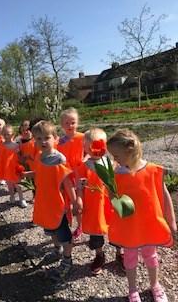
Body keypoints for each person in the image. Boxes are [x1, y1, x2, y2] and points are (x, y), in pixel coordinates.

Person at [107, 129, 177, 302]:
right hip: (130, 228)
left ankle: (155, 285)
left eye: (116, 155)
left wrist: (172, 222)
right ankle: (132, 290)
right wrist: (110, 190)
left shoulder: (152, 170)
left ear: (129, 150)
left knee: (151, 256)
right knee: (130, 258)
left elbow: (164, 196)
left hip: (147, 226)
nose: (114, 160)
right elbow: (114, 201)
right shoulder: (116, 175)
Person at [27, 120, 78, 281]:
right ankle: (56, 250)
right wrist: (28, 174)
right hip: (44, 201)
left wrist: (75, 201)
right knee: (50, 228)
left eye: (47, 137)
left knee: (63, 232)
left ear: (55, 138)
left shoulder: (59, 159)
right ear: (34, 140)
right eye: (38, 138)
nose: (43, 141)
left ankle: (67, 259)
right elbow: (40, 174)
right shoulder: (39, 157)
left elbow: (67, 182)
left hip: (58, 203)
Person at [76, 128, 122, 275]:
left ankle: (119, 252)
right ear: (85, 149)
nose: (96, 150)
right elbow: (80, 187)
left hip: (110, 204)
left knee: (116, 229)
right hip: (94, 206)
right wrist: (79, 200)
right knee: (95, 233)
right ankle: (99, 255)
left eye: (99, 146)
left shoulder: (112, 164)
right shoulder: (83, 167)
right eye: (91, 147)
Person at [57, 107, 84, 240]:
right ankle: (71, 225)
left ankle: (81, 224)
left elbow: (88, 153)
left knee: (81, 201)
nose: (70, 126)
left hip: (80, 173)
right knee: (70, 201)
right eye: (67, 123)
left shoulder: (82, 137)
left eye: (73, 122)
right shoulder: (60, 142)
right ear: (62, 125)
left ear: (77, 123)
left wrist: (82, 162)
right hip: (67, 175)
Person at [0, 125, 27, 207]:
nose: (6, 136)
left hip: (15, 168)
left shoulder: (16, 145)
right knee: (9, 184)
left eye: (8, 134)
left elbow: (20, 157)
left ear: (12, 134)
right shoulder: (1, 145)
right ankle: (12, 197)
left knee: (18, 185)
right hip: (7, 168)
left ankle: (21, 199)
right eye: (4, 134)